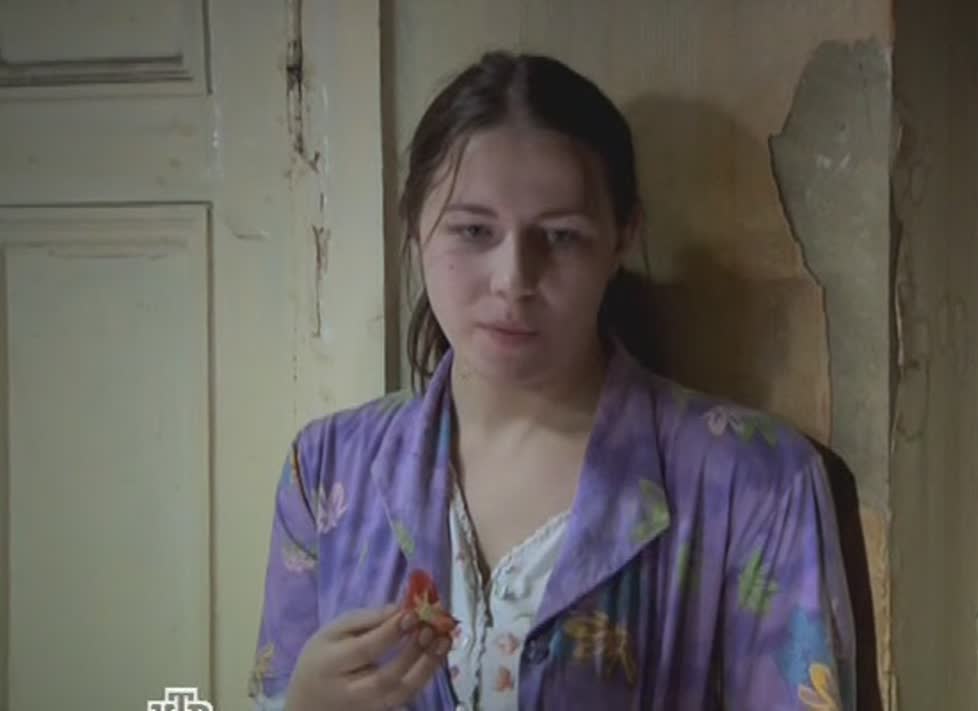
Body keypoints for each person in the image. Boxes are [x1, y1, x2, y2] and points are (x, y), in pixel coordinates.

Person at [247, 51, 856, 710]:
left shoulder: (756, 483)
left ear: (622, 237)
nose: (513, 280)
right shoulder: (325, 470)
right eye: (473, 230)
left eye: (561, 237)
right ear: (415, 227)